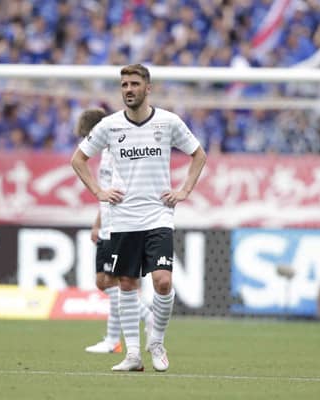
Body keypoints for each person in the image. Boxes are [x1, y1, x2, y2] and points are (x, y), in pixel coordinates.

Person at [71, 64, 206, 372]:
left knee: (162, 281)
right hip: (123, 218)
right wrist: (98, 191)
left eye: (134, 84)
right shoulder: (109, 125)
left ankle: (156, 341)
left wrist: (184, 190)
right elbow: (78, 159)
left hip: (159, 215)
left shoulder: (168, 122)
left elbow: (199, 154)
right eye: (124, 85)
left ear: (148, 88)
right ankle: (133, 354)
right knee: (127, 283)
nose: (129, 89)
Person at [74, 108, 153, 354]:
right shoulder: (107, 154)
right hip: (107, 225)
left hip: (118, 226)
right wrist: (97, 222)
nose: (88, 142)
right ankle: (113, 339)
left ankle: (147, 317)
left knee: (110, 282)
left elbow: (121, 190)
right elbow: (107, 194)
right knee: (108, 282)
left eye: (88, 136)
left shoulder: (118, 153)